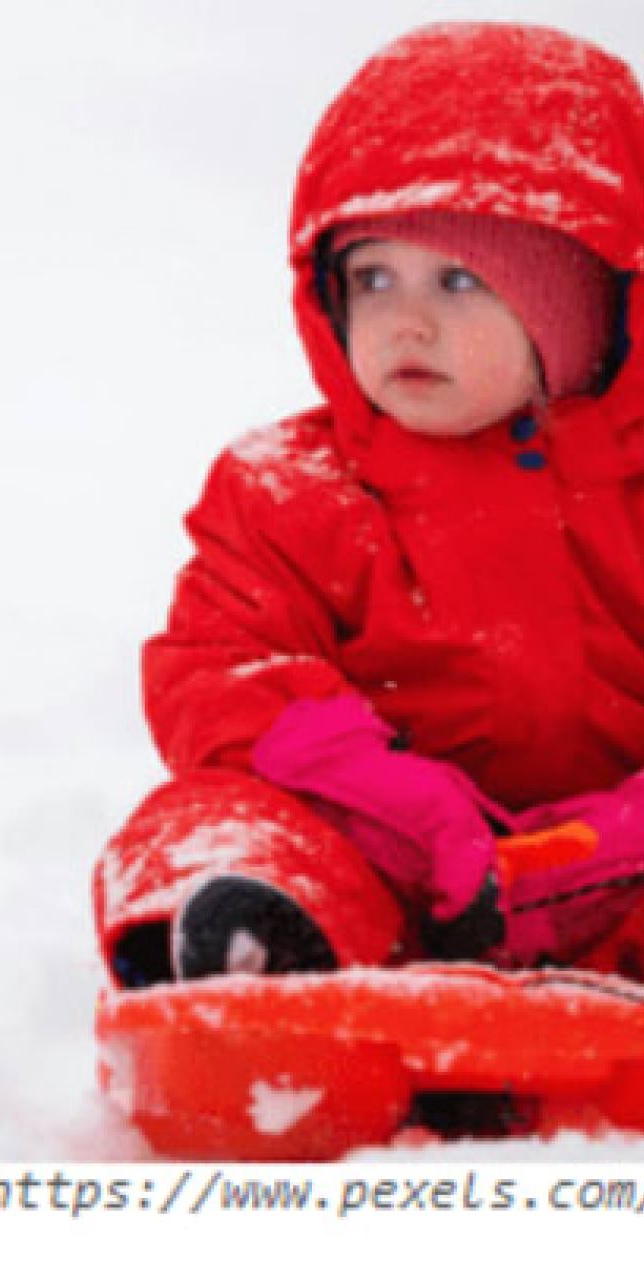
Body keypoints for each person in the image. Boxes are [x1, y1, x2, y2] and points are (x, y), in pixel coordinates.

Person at [93, 21, 644, 990]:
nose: (405, 321)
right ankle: (256, 959)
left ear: (587, 307)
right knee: (204, 819)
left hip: (626, 869)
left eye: (460, 279)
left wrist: (602, 845)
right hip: (392, 869)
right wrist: (400, 806)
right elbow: (223, 669)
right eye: (372, 276)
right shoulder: (286, 490)